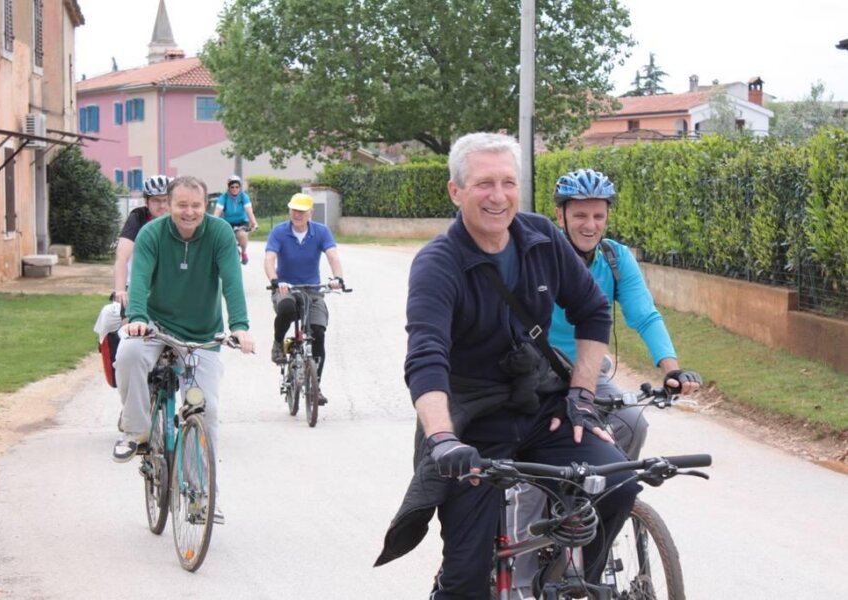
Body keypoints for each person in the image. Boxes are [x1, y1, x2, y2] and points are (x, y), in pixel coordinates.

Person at [374, 133, 639, 598]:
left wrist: (580, 396)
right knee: (466, 579)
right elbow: (426, 356)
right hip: (472, 424)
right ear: (456, 191)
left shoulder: (542, 238)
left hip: (540, 407)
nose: (498, 196)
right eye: (484, 184)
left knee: (618, 481)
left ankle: (577, 582)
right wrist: (442, 439)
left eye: (508, 183)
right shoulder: (438, 263)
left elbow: (593, 310)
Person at [505, 168, 704, 598]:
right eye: (580, 215)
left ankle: (595, 514)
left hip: (590, 372)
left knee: (632, 422)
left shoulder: (615, 258)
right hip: (538, 377)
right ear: (561, 215)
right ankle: (521, 577)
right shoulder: (541, 255)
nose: (590, 225)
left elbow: (644, 314)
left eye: (598, 215)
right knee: (531, 478)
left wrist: (671, 368)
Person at [113, 175, 255, 524]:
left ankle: (201, 498)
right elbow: (139, 278)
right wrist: (138, 317)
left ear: (206, 206)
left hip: (201, 333)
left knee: (204, 411)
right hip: (155, 326)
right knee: (128, 354)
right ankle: (137, 430)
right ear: (169, 205)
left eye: (196, 205)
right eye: (181, 205)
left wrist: (239, 326)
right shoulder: (152, 234)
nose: (189, 212)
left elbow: (232, 280)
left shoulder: (220, 233)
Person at [263, 193, 345, 404]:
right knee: (287, 308)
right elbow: (269, 259)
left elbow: (333, 255)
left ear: (310, 213)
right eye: (293, 210)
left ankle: (315, 386)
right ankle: (278, 343)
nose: (297, 214)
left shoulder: (321, 231)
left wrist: (337, 278)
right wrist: (275, 281)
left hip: (312, 290)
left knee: (318, 332)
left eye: (301, 211)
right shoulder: (279, 231)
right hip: (286, 288)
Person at [113, 174, 171, 308]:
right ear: (146, 201)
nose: (162, 205)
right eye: (156, 200)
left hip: (165, 288)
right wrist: (120, 290)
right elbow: (122, 257)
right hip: (135, 285)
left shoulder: (178, 219)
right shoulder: (138, 217)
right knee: (124, 318)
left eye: (166, 200)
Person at [214, 174, 258, 265]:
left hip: (241, 222)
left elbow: (249, 211)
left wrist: (254, 223)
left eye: (237, 187)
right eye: (232, 187)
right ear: (229, 188)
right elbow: (217, 212)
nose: (235, 189)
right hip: (228, 223)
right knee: (223, 239)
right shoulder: (224, 197)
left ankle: (244, 252)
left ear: (240, 187)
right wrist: (213, 224)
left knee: (242, 235)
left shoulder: (243, 196)